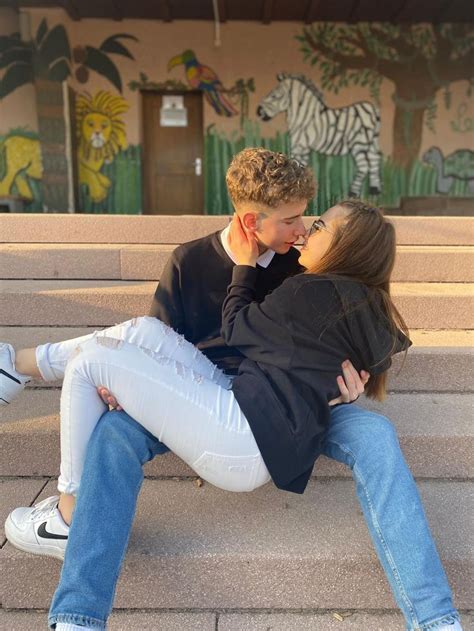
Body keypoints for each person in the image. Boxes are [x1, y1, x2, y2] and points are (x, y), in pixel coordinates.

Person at [2, 151, 461, 631]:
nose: (302, 229)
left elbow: (332, 333)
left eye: (310, 219)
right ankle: (78, 609)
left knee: (376, 434)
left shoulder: (303, 270)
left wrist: (350, 385)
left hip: (284, 401)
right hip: (208, 393)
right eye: (293, 219)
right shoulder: (190, 261)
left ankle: (434, 618)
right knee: (115, 425)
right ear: (250, 220)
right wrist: (128, 383)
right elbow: (155, 341)